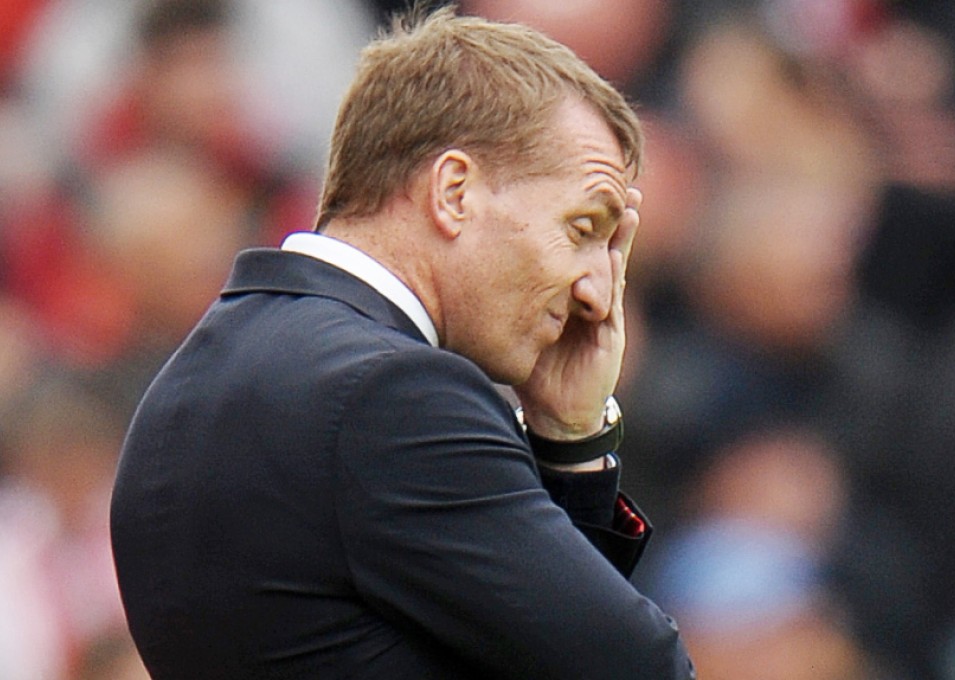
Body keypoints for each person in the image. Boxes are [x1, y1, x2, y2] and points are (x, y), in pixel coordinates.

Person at [110, 6, 695, 679]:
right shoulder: (390, 396)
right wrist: (574, 446)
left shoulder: (188, 385)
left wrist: (568, 437)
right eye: (583, 227)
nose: (597, 292)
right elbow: (636, 669)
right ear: (453, 192)